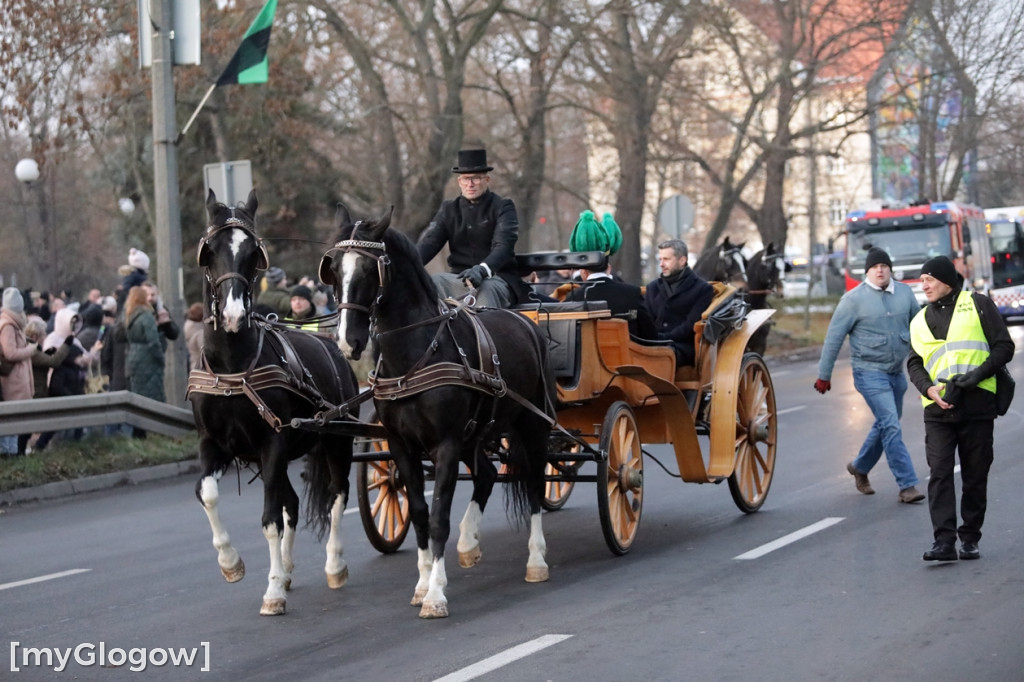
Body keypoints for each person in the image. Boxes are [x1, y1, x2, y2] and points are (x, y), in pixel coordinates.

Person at [906, 256, 1014, 561]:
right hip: (937, 409)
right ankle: (944, 541)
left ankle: (970, 537)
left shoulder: (978, 304)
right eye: (921, 280)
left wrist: (975, 376)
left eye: (929, 279)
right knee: (939, 473)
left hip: (977, 404)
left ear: (946, 281)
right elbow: (914, 361)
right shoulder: (918, 320)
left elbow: (1004, 347)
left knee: (975, 474)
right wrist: (927, 388)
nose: (923, 285)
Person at [814, 247, 924, 503]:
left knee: (887, 425)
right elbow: (834, 338)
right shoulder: (853, 300)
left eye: (884, 265)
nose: (880, 270)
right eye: (875, 266)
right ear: (868, 271)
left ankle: (860, 467)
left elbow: (920, 328)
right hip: (868, 373)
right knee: (891, 425)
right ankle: (907, 485)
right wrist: (824, 374)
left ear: (890, 269)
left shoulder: (905, 293)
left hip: (896, 373)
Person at [416, 148, 530, 308]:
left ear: (487, 180)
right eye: (466, 179)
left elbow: (503, 247)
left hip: (496, 278)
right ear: (459, 182)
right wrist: (405, 263)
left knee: (485, 291)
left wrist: (482, 270)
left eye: (476, 178)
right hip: (458, 279)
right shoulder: (449, 209)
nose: (470, 184)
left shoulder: (502, 207)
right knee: (431, 283)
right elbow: (429, 243)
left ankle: (489, 332)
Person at [564, 210, 656, 338]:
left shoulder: (573, 299)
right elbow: (650, 335)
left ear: (583, 272)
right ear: (608, 268)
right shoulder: (632, 293)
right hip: (628, 357)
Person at [644, 239, 715, 367]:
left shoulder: (702, 289)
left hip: (683, 346)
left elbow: (690, 326)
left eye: (666, 259)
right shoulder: (652, 287)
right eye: (660, 259)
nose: (661, 264)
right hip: (652, 343)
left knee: (662, 356)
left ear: (682, 261)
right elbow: (646, 319)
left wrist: (662, 339)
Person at [0, 288, 37, 457]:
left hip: (18, 378)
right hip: (13, 381)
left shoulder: (14, 323)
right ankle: (13, 456)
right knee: (14, 423)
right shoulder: (8, 325)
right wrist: (30, 349)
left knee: (18, 422)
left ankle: (16, 454)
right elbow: (11, 353)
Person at [184, 302, 205, 370]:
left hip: (194, 364)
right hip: (201, 368)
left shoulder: (189, 327)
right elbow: (204, 351)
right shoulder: (199, 333)